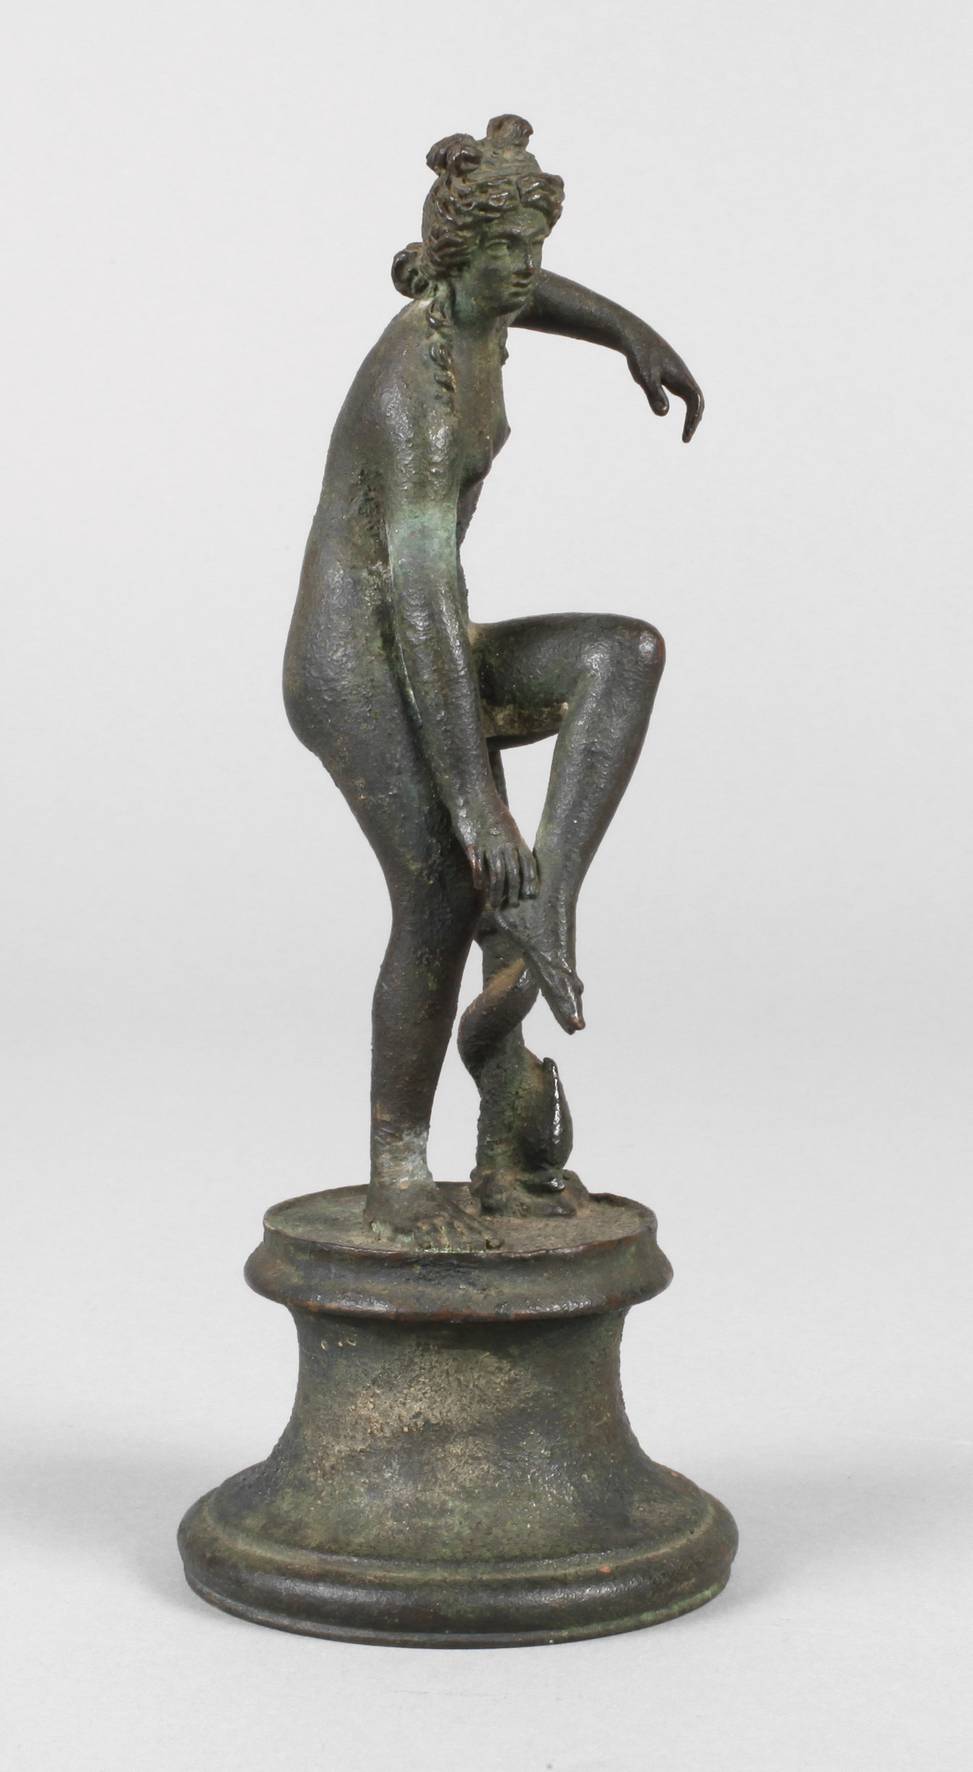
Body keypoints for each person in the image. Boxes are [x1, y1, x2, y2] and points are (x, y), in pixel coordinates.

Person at [284, 115, 704, 1246]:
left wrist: (627, 332)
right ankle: (397, 1165)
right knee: (443, 890)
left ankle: (545, 906)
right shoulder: (412, 389)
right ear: (454, 255)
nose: (524, 271)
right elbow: (418, 605)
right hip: (356, 662)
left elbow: (527, 293)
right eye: (505, 250)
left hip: (430, 642)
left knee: (621, 653)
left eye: (534, 246)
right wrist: (478, 809)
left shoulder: (479, 309)